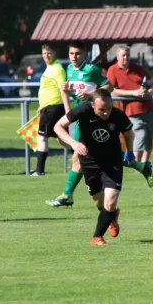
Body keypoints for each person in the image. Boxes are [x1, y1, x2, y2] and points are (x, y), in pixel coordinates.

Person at [53, 89, 135, 246]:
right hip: (89, 162)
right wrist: (74, 143)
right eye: (101, 110)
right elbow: (58, 126)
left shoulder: (118, 115)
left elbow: (129, 134)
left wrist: (130, 153)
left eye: (108, 109)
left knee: (110, 201)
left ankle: (97, 237)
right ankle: (112, 215)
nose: (105, 113)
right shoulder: (83, 110)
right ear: (92, 105)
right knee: (99, 203)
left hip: (112, 162)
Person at [46, 41, 113, 208]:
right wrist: (67, 92)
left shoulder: (92, 70)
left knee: (79, 155)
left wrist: (91, 93)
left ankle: (67, 194)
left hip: (92, 119)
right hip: (78, 118)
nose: (74, 57)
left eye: (77, 54)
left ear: (84, 54)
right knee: (85, 156)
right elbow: (69, 90)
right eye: (71, 54)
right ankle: (139, 165)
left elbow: (109, 86)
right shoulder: (69, 69)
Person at [107, 45, 153, 178]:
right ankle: (135, 166)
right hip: (131, 110)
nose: (126, 58)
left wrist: (148, 93)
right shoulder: (112, 70)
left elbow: (152, 84)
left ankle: (145, 164)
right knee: (139, 136)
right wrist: (134, 93)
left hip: (149, 108)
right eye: (123, 55)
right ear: (117, 57)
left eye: (128, 55)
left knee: (148, 138)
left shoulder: (138, 68)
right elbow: (112, 90)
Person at [31, 44, 70, 176]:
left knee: (41, 137)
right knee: (62, 139)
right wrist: (42, 106)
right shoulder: (50, 68)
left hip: (53, 108)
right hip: (48, 108)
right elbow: (48, 89)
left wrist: (67, 110)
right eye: (44, 53)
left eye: (49, 52)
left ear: (55, 53)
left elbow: (62, 90)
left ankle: (39, 171)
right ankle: (82, 150)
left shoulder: (57, 69)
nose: (46, 55)